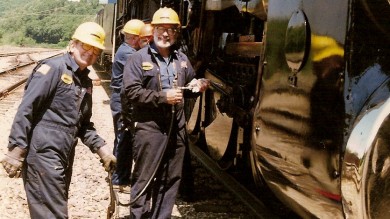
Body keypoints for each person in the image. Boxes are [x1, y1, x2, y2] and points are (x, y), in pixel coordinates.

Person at [0, 22, 117, 218]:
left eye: (96, 50)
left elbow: (84, 125)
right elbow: (26, 109)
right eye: (85, 46)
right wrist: (16, 149)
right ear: (73, 45)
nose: (90, 53)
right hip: (42, 154)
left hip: (62, 155)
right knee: (53, 214)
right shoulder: (52, 69)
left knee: (51, 209)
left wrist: (102, 149)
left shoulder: (85, 81)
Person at [123, 7, 209, 218]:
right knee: (145, 178)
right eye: (161, 28)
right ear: (152, 30)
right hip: (149, 129)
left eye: (170, 29)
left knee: (170, 179)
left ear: (177, 32)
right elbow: (131, 92)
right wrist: (163, 97)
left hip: (176, 129)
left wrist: (197, 86)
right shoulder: (138, 59)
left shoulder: (181, 59)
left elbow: (188, 87)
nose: (165, 34)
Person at [110, 19, 145, 192]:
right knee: (124, 137)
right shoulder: (129, 54)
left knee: (121, 137)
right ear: (135, 38)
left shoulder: (125, 50)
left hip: (120, 98)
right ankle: (119, 179)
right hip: (121, 99)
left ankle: (118, 174)